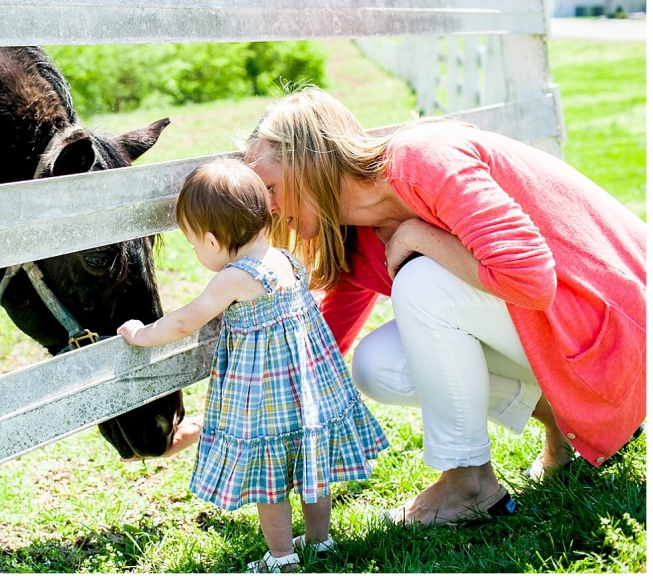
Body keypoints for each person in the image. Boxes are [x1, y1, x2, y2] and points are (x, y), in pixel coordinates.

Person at [243, 86, 646, 528]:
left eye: (270, 188)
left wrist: (418, 237)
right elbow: (319, 351)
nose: (268, 208)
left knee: (421, 282)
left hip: (619, 330)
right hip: (571, 336)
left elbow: (530, 279)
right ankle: (570, 423)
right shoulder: (356, 240)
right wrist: (248, 416)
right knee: (378, 365)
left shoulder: (421, 159)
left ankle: (467, 485)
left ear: (311, 161)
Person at [118, 158, 388, 572]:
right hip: (309, 393)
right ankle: (321, 542)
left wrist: (141, 334)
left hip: (266, 401)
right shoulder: (287, 260)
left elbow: (187, 320)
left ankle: (281, 558)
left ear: (211, 239)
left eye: (193, 244)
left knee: (270, 481)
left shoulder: (234, 278)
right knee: (313, 470)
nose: (195, 251)